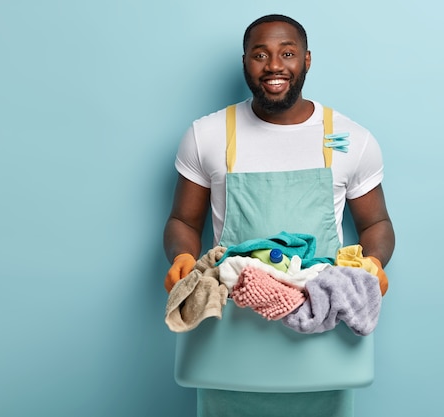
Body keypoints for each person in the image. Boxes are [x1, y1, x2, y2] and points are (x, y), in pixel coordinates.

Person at [162, 14, 395, 417]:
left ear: (306, 60)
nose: (273, 65)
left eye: (287, 53)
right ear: (244, 62)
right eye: (260, 54)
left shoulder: (349, 139)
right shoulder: (208, 134)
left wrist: (373, 263)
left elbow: (376, 224)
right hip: (232, 335)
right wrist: (182, 257)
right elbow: (183, 221)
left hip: (322, 331)